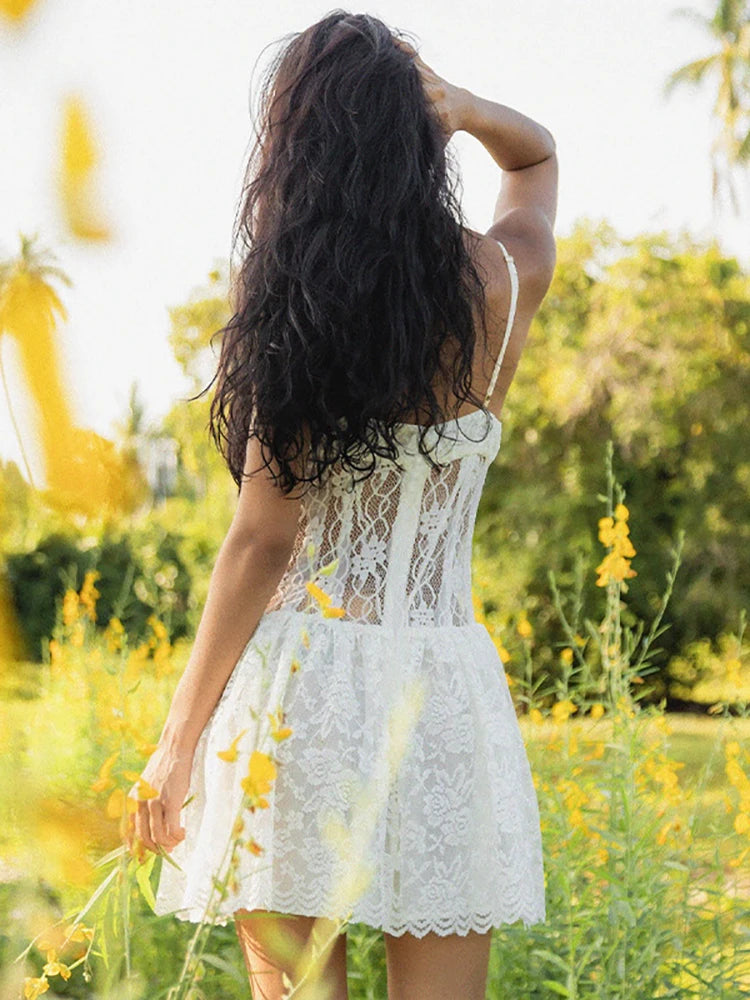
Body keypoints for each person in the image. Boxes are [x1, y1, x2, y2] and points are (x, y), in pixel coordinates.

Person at [128, 10, 557, 1000]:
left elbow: (261, 539)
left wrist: (178, 739)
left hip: (298, 695)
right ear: (419, 133)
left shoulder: (289, 294)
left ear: (299, 144)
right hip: (441, 688)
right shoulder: (499, 278)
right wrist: (467, 109)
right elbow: (537, 164)